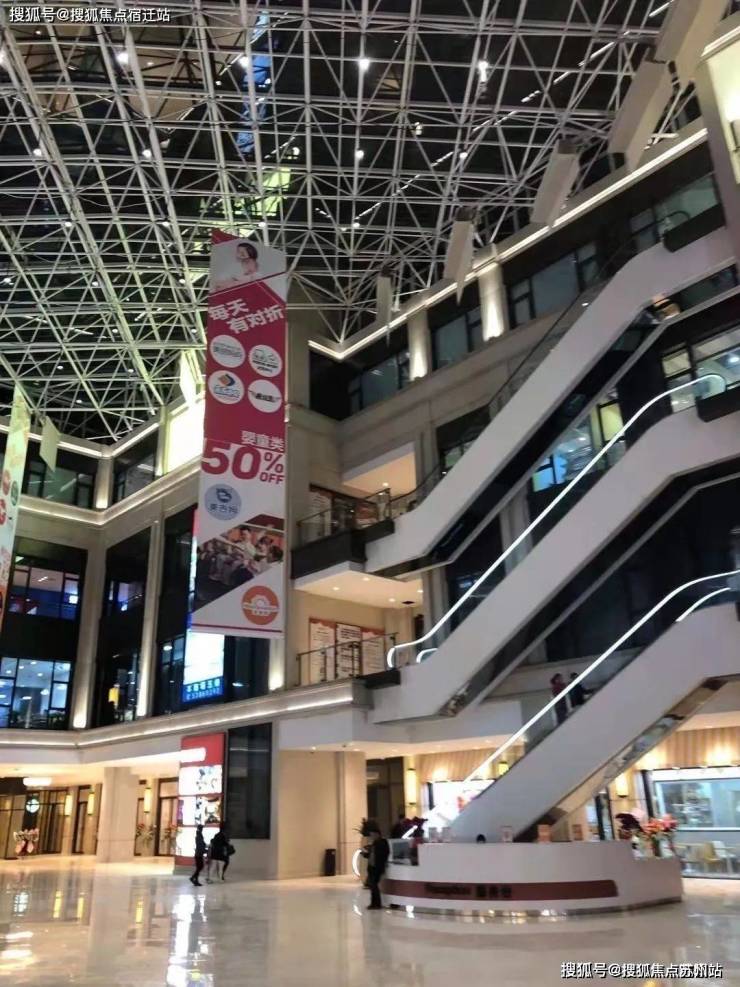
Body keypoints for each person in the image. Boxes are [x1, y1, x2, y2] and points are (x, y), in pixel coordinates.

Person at [364, 825, 390, 910]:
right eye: (371, 835)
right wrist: (366, 854)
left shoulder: (383, 842)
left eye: (373, 835)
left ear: (378, 834)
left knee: (374, 885)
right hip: (371, 867)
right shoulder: (374, 843)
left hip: (377, 867)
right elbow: (372, 854)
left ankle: (376, 904)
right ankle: (374, 903)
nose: (372, 837)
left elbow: (384, 854)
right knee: (372, 886)